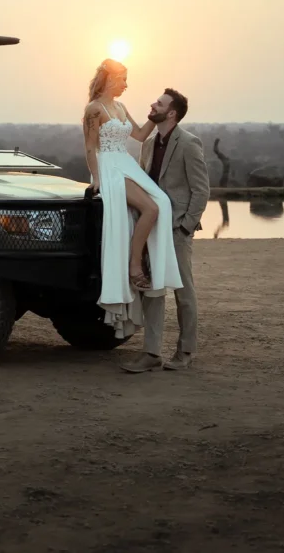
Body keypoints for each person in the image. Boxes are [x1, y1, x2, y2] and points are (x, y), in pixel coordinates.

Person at [82, 60, 183, 340]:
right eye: (123, 79)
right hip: (109, 168)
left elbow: (138, 136)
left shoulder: (120, 107)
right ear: (109, 78)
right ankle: (134, 265)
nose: (126, 84)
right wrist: (97, 178)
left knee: (160, 202)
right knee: (150, 207)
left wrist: (155, 115)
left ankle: (155, 265)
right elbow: (90, 147)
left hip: (125, 164)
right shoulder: (94, 110)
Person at [121, 88, 210, 373]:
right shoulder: (148, 144)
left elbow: (201, 190)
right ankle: (152, 353)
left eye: (159, 103)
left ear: (171, 113)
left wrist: (186, 226)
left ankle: (185, 351)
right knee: (153, 291)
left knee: (183, 291)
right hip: (152, 227)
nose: (153, 104)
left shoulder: (189, 143)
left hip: (177, 229)